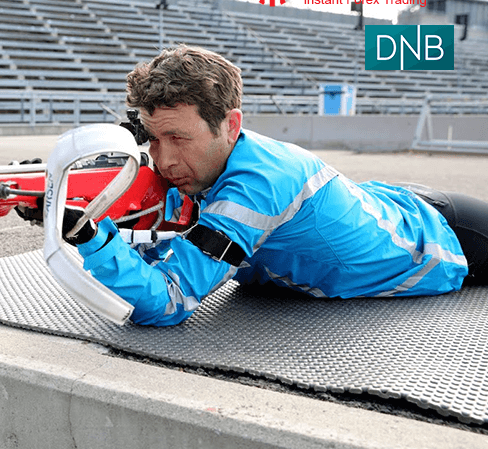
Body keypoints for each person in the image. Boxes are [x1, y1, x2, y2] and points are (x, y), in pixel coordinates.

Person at [53, 45, 488, 326]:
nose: (164, 161)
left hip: (446, 233)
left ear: (231, 125)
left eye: (178, 139)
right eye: (152, 138)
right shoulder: (207, 165)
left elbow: (170, 300)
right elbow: (160, 240)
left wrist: (92, 238)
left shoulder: (258, 188)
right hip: (390, 201)